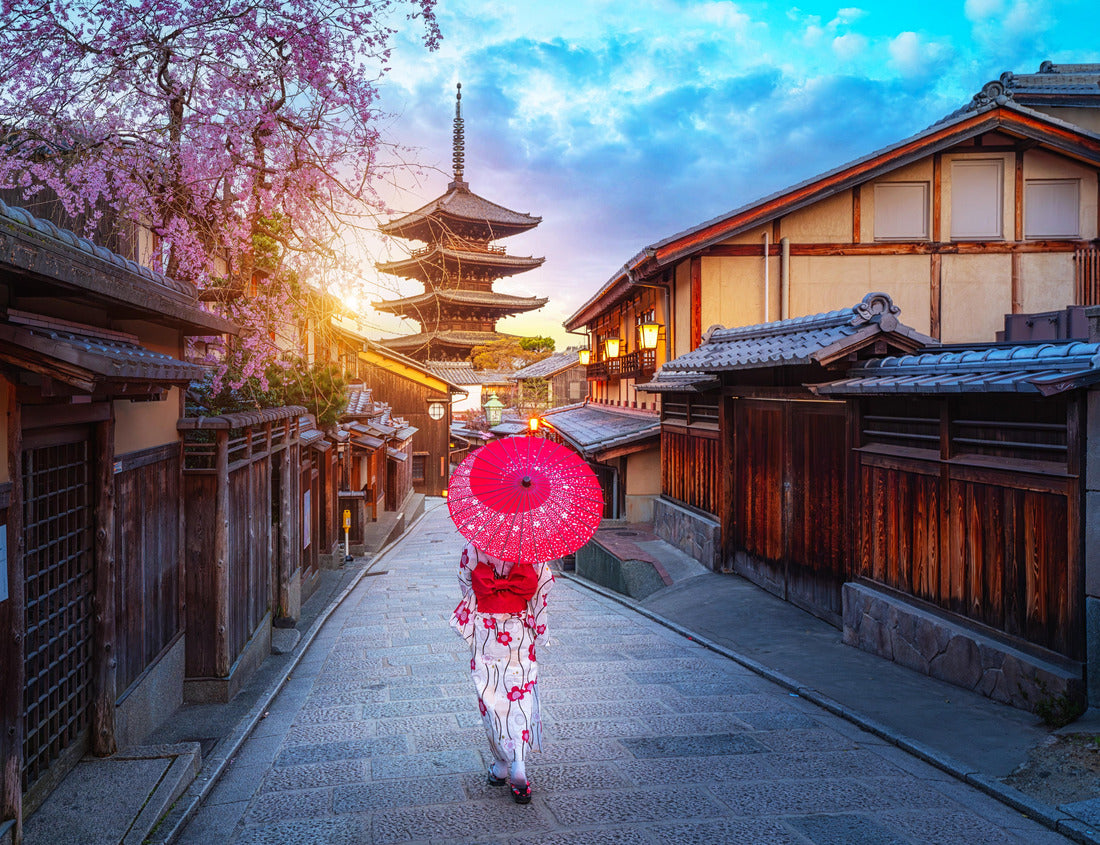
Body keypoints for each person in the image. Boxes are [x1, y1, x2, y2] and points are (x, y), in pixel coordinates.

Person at [451, 539, 555, 804]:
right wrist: (539, 629)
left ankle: (500, 766)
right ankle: (519, 764)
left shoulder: (475, 543)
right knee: (519, 695)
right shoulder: (532, 543)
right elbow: (541, 586)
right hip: (519, 630)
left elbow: (466, 581)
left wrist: (491, 589)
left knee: (491, 698)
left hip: (487, 630)